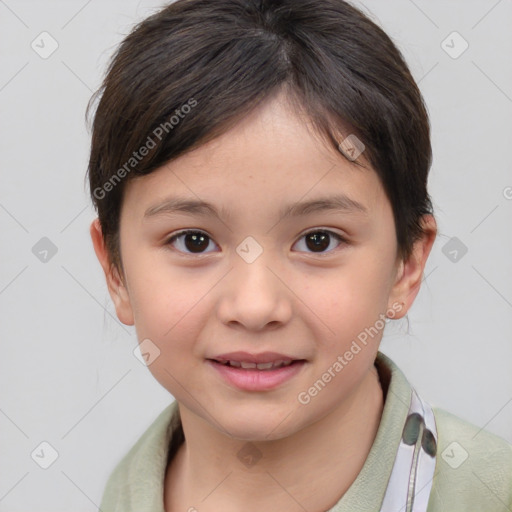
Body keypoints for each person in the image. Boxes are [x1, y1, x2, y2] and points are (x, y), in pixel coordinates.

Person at [87, 0, 512, 510]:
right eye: (194, 241)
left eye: (318, 240)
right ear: (115, 270)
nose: (255, 306)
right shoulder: (119, 495)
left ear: (407, 265)